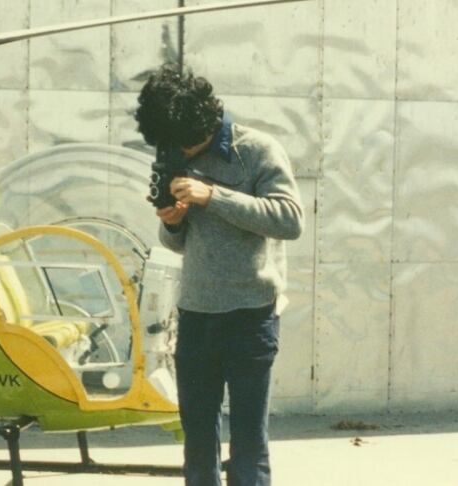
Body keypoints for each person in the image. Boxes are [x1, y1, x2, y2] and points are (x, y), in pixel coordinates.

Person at [135, 64, 304, 486]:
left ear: (202, 126)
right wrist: (172, 222)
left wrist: (214, 196)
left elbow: (289, 220)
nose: (178, 154)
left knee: (249, 441)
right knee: (197, 440)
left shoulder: (259, 150)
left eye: (182, 145)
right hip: (195, 313)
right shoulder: (176, 149)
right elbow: (180, 243)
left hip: (251, 315)